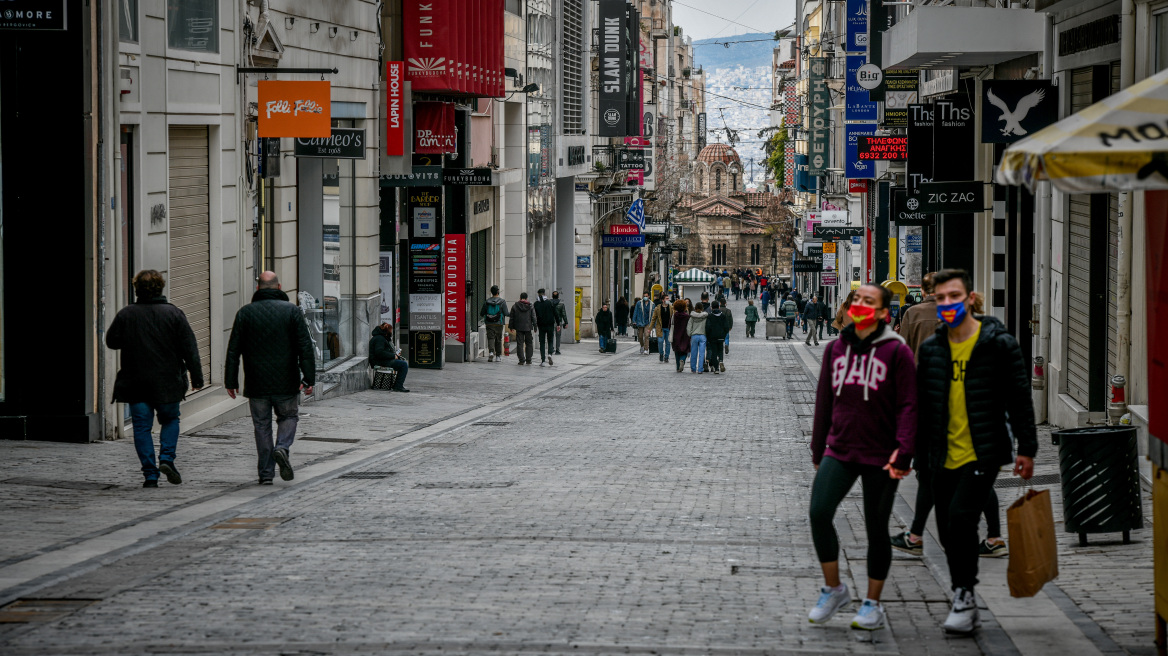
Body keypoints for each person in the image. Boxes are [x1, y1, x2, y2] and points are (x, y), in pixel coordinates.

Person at [916, 269, 1036, 635]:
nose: (948, 304)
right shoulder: (932, 348)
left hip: (983, 450)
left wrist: (1027, 448)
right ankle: (961, 591)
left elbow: (1019, 397)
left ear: (970, 298)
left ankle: (964, 596)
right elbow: (921, 405)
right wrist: (908, 453)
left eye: (954, 296)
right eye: (941, 299)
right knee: (946, 529)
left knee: (961, 518)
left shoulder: (998, 344)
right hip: (940, 454)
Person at [807, 283, 917, 631]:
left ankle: (872, 603)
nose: (860, 305)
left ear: (884, 313)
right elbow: (824, 398)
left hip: (881, 453)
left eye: (868, 301)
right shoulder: (836, 348)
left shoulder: (897, 352)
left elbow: (910, 405)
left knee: (876, 528)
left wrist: (904, 450)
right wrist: (817, 446)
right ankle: (834, 588)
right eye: (856, 299)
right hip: (839, 448)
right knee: (819, 512)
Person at [105, 269, 204, 488]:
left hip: (136, 381)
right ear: (161, 287)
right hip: (167, 382)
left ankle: (150, 474)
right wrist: (197, 379)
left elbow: (112, 341)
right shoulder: (174, 314)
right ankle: (167, 458)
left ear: (136, 289)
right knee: (170, 419)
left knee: (141, 427)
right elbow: (190, 349)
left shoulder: (126, 314)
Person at [225, 271, 315, 485]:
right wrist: (308, 378)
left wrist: (231, 381)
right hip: (286, 380)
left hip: (256, 382)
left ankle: (266, 474)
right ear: (279, 286)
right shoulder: (292, 312)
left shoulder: (245, 313)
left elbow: (233, 350)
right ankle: (282, 447)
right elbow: (305, 347)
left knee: (262, 425)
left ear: (258, 289)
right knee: (289, 417)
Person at [900, 273, 939, 358]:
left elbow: (903, 349)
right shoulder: (954, 312)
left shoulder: (912, 312)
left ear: (923, 291)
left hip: (919, 367)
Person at [368, 322, 409, 392]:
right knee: (403, 365)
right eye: (391, 331)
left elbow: (383, 351)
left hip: (380, 359)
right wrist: (393, 356)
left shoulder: (381, 338)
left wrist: (395, 355)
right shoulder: (380, 339)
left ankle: (398, 385)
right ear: (387, 331)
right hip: (378, 361)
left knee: (402, 363)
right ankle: (398, 386)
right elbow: (379, 353)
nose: (391, 332)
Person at [480, 285, 509, 363]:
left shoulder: (487, 302)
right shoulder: (502, 302)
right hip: (499, 323)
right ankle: (498, 356)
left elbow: (482, 313)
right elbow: (506, 313)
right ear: (498, 292)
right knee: (498, 339)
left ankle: (491, 352)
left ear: (491, 292)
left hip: (489, 323)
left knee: (490, 338)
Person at [508, 292, 536, 366]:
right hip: (528, 327)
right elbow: (533, 317)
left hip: (519, 327)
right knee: (529, 343)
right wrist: (535, 326)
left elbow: (512, 317)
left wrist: (511, 327)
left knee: (520, 344)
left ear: (520, 298)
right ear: (526, 298)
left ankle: (521, 360)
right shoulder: (530, 306)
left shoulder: (515, 306)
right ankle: (529, 359)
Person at [533, 288, 556, 367]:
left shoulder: (536, 304)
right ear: (544, 293)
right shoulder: (549, 302)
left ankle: (543, 360)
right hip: (550, 325)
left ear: (538, 294)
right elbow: (555, 313)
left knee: (542, 343)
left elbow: (534, 316)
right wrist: (559, 323)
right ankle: (550, 354)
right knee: (550, 340)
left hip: (541, 325)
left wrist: (535, 326)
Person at [706, 301, 728, 374]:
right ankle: (721, 361)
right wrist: (724, 335)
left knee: (714, 352)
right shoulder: (723, 316)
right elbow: (726, 327)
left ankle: (716, 368)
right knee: (720, 350)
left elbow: (708, 327)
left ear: (711, 307)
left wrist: (708, 336)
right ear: (719, 307)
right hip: (721, 336)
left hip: (713, 337)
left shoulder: (710, 316)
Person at [649, 294, 672, 363]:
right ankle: (661, 354)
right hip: (660, 328)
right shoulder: (658, 308)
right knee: (660, 341)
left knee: (668, 343)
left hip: (668, 328)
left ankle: (667, 356)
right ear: (663, 300)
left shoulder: (671, 308)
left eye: (668, 298)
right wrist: (650, 328)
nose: (668, 300)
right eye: (667, 298)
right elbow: (653, 318)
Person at [686, 303, 708, 373]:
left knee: (693, 353)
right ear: (702, 308)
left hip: (694, 336)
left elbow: (689, 327)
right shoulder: (705, 316)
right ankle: (700, 369)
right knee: (702, 353)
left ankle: (693, 368)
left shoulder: (692, 317)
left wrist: (690, 334)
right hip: (702, 335)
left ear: (695, 308)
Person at [671, 299, 691, 372]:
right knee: (685, 350)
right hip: (685, 335)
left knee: (677, 351)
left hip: (676, 335)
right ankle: (682, 359)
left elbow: (670, 325)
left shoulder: (674, 316)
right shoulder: (687, 316)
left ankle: (678, 367)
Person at [552, 290, 569, 355]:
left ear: (552, 296)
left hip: (551, 322)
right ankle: (557, 350)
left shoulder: (550, 303)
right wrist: (566, 322)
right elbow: (564, 314)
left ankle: (551, 348)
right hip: (558, 323)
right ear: (558, 296)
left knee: (551, 335)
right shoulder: (561, 304)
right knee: (558, 336)